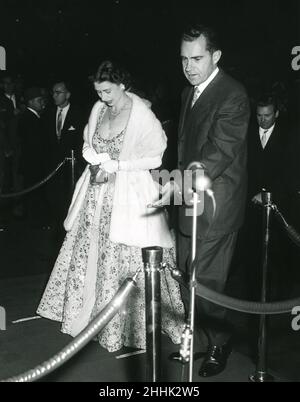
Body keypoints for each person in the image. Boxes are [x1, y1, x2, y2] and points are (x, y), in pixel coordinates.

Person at [37, 60, 184, 353]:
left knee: (125, 255)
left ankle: (124, 325)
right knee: (89, 253)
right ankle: (90, 315)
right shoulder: (98, 109)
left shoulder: (142, 114)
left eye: (107, 91)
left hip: (130, 193)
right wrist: (95, 159)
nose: (102, 97)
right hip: (96, 195)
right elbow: (87, 143)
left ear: (122, 85)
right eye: (98, 91)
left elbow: (156, 157)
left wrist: (117, 165)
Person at [155, 24, 250, 377]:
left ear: (216, 56)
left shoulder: (233, 95)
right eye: (184, 59)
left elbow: (218, 152)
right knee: (186, 280)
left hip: (216, 208)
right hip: (188, 203)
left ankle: (220, 343)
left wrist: (175, 184)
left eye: (197, 58)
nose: (189, 66)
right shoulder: (188, 93)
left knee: (208, 287)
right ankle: (197, 339)